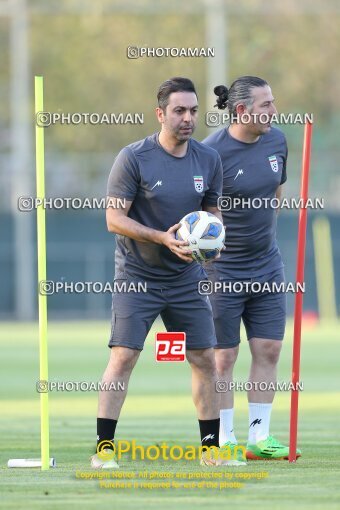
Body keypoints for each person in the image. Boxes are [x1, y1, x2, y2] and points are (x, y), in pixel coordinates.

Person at [91, 77, 244, 469]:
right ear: (160, 114)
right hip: (137, 276)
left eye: (193, 110)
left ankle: (211, 449)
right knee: (123, 356)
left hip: (185, 278)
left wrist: (214, 241)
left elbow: (213, 214)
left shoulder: (209, 160)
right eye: (179, 111)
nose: (188, 118)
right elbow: (113, 219)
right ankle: (104, 449)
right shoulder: (133, 157)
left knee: (204, 360)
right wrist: (162, 237)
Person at [202, 76, 301, 460]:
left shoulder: (277, 140)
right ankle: (223, 439)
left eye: (273, 102)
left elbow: (277, 190)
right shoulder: (210, 152)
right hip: (221, 271)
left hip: (267, 265)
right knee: (222, 358)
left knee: (270, 348)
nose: (273, 112)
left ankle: (259, 439)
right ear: (242, 110)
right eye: (266, 105)